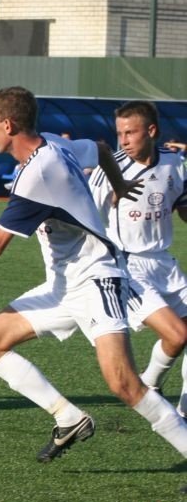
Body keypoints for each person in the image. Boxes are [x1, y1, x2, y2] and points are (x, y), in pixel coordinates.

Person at [0, 86, 187, 463]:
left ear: (8, 125)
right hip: (63, 285)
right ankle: (68, 417)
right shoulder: (54, 144)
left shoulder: (38, 174)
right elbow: (103, 148)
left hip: (96, 279)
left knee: (124, 383)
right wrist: (120, 183)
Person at [89, 101, 187, 417]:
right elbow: (82, 214)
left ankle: (182, 407)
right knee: (178, 334)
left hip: (164, 263)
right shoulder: (110, 169)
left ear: (152, 131)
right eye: (120, 133)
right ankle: (151, 384)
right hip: (127, 266)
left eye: (130, 132)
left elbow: (182, 206)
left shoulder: (175, 163)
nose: (124, 141)